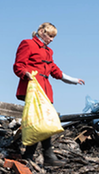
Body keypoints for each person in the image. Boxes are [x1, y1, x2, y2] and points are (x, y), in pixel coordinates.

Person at [13, 22, 84, 166]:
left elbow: (55, 71)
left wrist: (73, 80)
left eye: (53, 37)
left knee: (44, 121)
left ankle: (33, 155)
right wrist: (26, 74)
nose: (51, 39)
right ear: (41, 31)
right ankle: (46, 156)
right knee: (39, 121)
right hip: (33, 88)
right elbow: (18, 65)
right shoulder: (27, 44)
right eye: (50, 36)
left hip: (45, 90)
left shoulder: (48, 52)